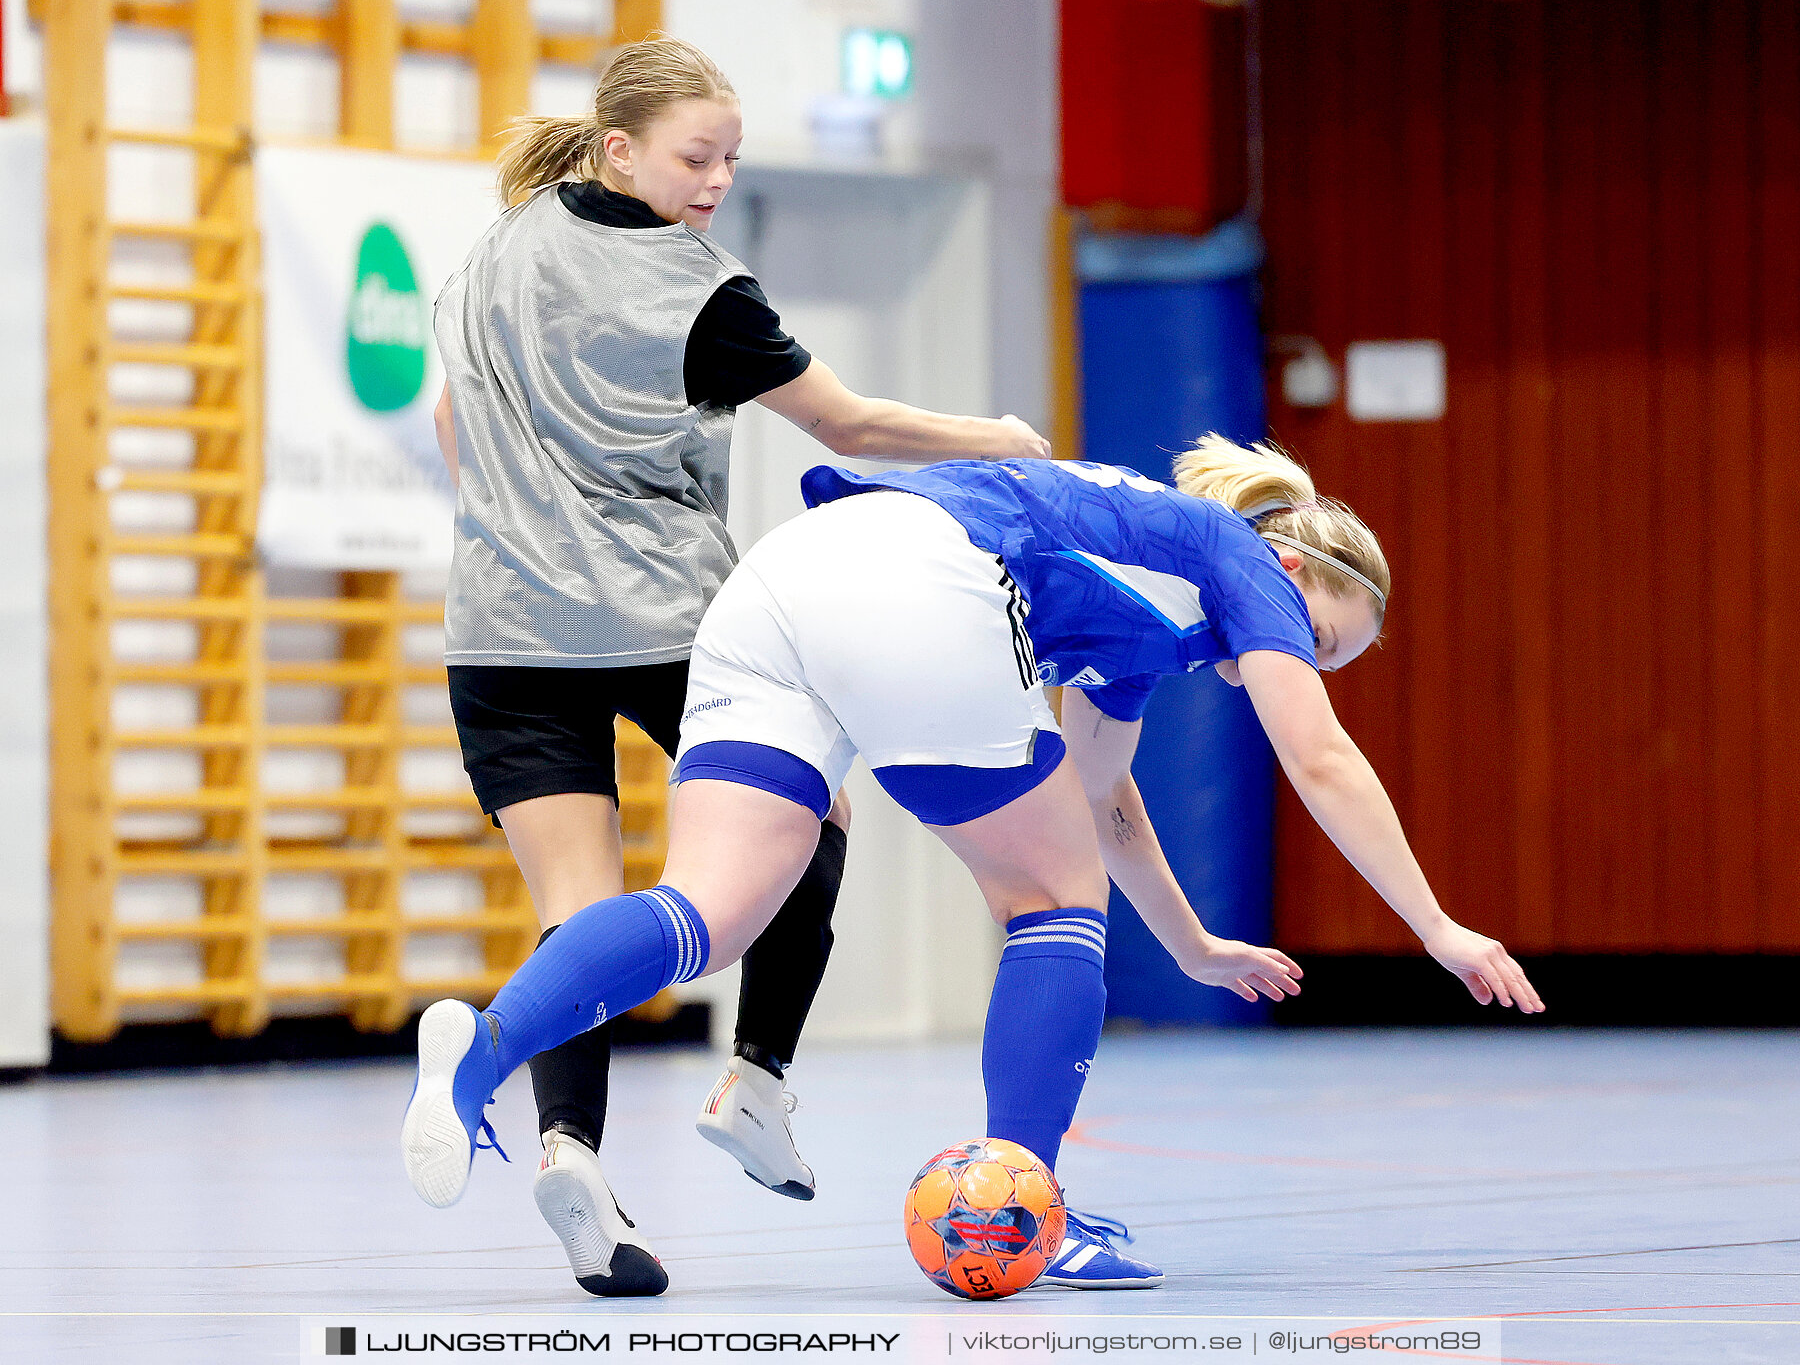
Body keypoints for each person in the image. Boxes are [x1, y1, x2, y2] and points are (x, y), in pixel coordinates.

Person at [402, 437, 1545, 1293]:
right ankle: (1024, 1208)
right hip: (923, 577)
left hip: (783, 585)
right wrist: (1438, 925)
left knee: (709, 910)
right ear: (1292, 561)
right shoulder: (1240, 555)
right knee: (1048, 905)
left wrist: (1193, 945)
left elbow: (1102, 801)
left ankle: (480, 1051)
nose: (1301, 659)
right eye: (1318, 636)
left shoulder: (1147, 615)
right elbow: (1322, 758)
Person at [432, 35, 1051, 1298]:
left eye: (730, 160)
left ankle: (573, 1154)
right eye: (694, 157)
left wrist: (522, 518)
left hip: (501, 627)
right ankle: (758, 1077)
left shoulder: (497, 245)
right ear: (619, 149)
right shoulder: (696, 291)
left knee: (581, 914)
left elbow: (451, 418)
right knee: (811, 826)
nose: (715, 181)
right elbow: (854, 423)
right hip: (670, 620)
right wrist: (1000, 436)